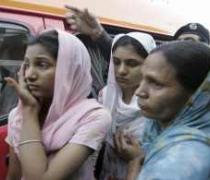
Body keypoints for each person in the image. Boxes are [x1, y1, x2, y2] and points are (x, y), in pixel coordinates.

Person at [5, 29, 111, 180]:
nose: (29, 75)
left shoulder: (94, 116)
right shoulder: (16, 115)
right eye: (27, 65)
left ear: (69, 69)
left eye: (42, 65)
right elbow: (14, 176)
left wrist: (29, 111)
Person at [124, 41, 210, 179]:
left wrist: (133, 172)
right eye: (143, 79)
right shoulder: (161, 132)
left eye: (156, 83)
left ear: (197, 95)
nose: (139, 92)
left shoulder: (182, 162)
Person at [97, 32, 156, 179]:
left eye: (132, 63)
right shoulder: (106, 96)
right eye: (116, 62)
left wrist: (139, 157)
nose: (121, 71)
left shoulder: (157, 105)